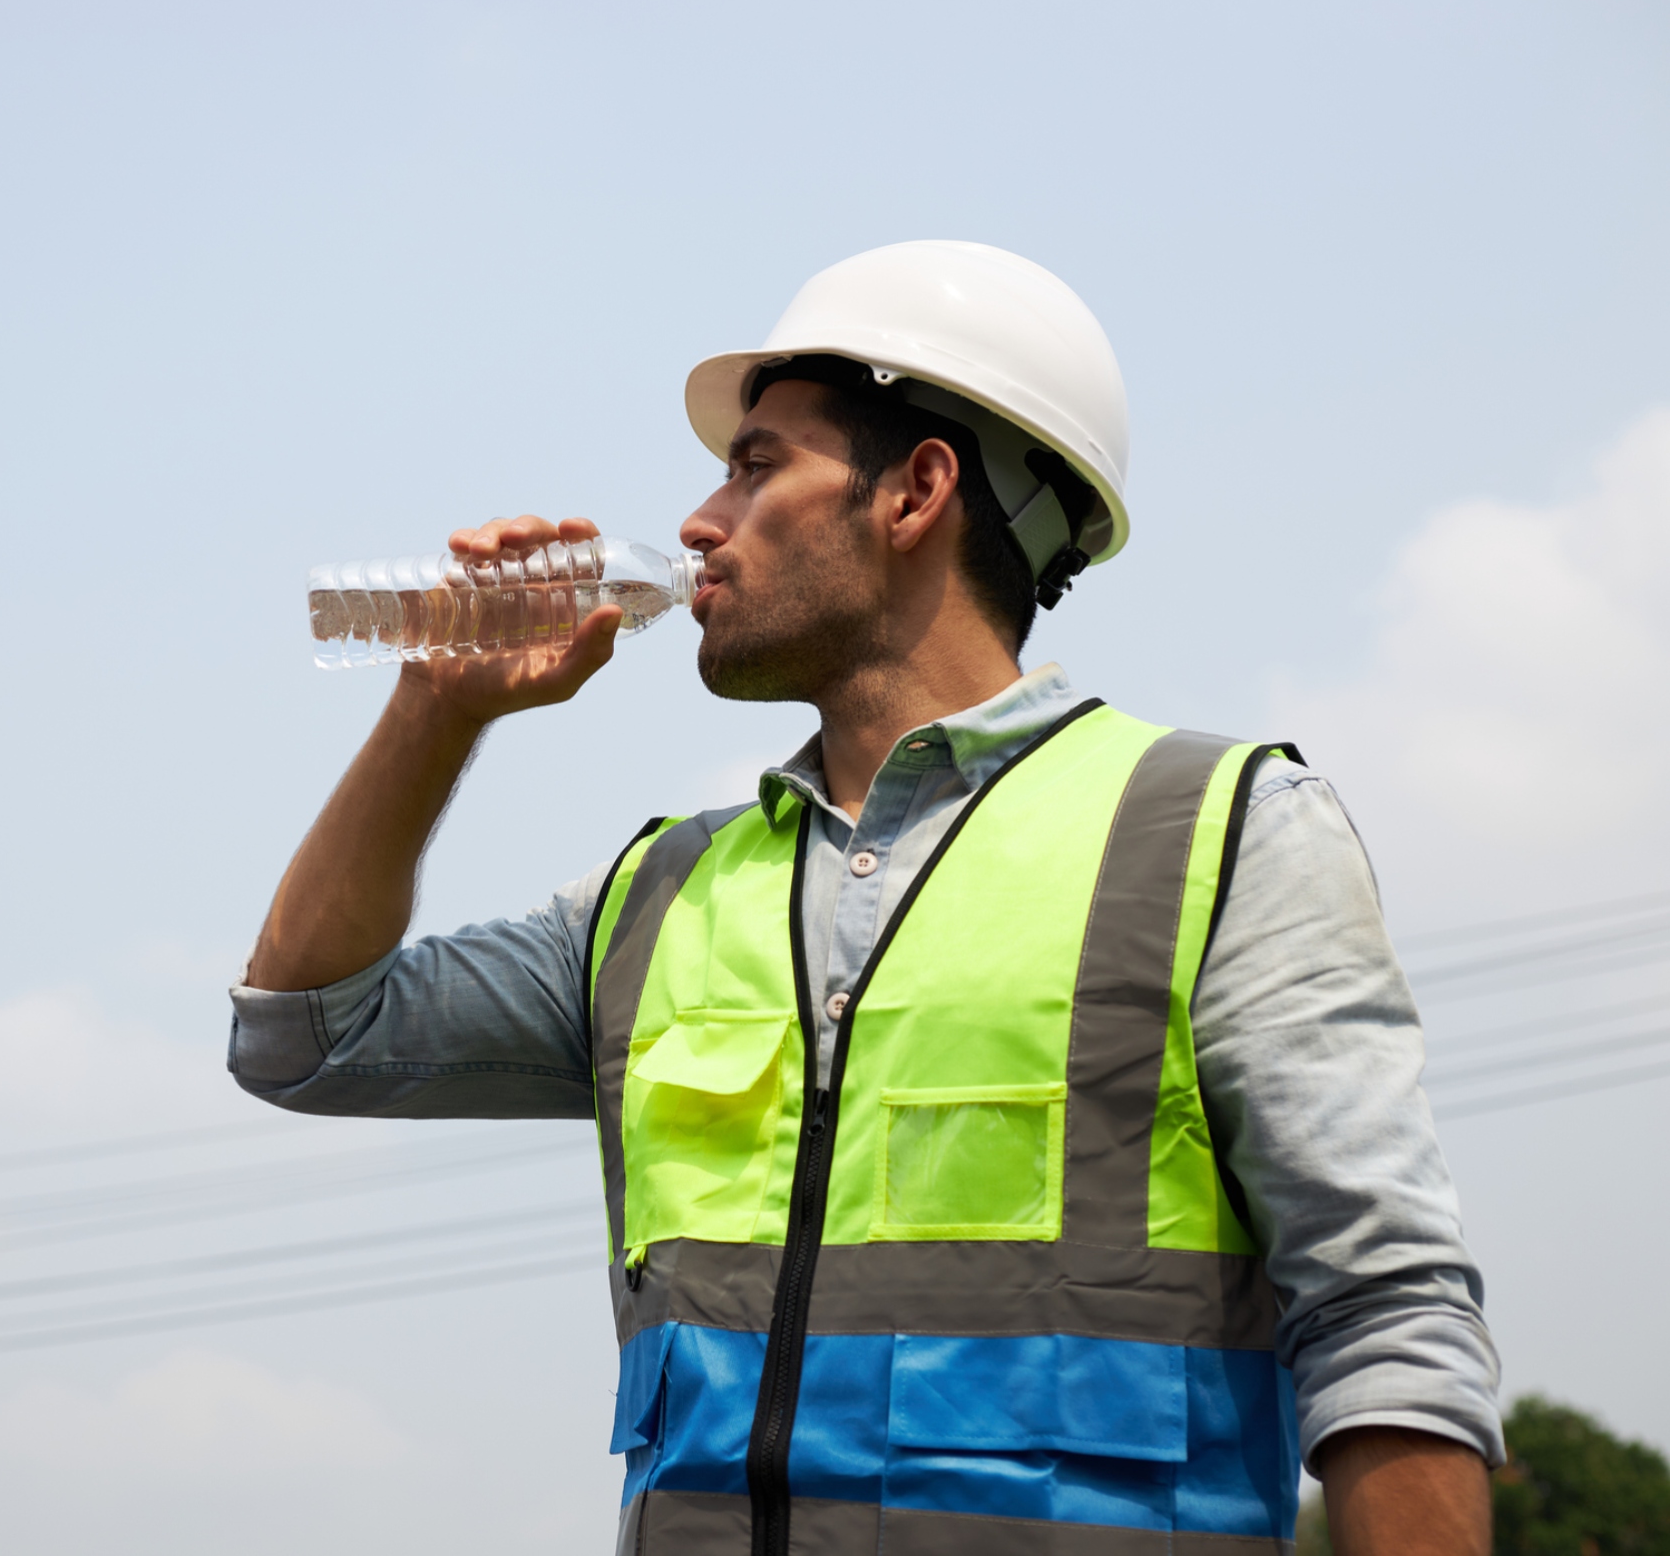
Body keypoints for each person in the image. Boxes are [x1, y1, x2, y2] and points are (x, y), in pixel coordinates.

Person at [231, 241, 1502, 1555]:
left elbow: (1385, 1322)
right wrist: (433, 712)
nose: (698, 522)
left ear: (917, 490)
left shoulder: (1221, 835)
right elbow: (302, 1033)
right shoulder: (657, 896)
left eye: (758, 462)